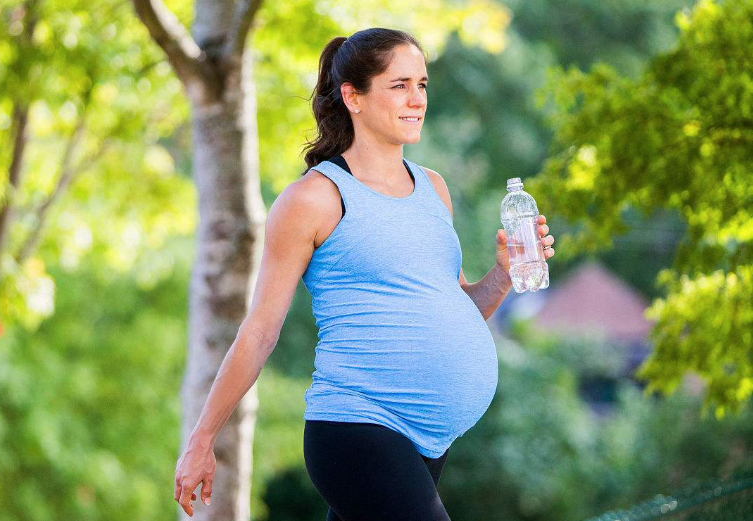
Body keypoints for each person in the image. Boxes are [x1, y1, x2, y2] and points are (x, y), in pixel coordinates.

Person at [173, 27, 556, 520]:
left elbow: (459, 309)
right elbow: (260, 330)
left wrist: (502, 276)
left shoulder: (433, 189)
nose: (416, 99)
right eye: (399, 85)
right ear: (353, 96)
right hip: (358, 427)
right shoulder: (313, 199)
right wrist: (202, 439)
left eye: (422, 84)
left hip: (428, 440)